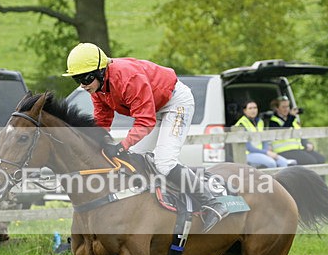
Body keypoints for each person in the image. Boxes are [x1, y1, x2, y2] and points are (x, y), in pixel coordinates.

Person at [63, 42, 229, 232]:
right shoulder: (98, 88)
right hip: (154, 108)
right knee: (132, 157)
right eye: (77, 80)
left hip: (176, 103)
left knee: (164, 162)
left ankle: (214, 202)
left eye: (86, 78)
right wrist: (95, 142)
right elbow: (102, 118)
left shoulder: (128, 78)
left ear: (101, 72)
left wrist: (121, 145)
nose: (83, 85)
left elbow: (145, 120)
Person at [234, 100, 293, 169]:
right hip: (247, 154)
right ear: (245, 111)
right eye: (250, 108)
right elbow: (249, 147)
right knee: (271, 163)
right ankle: (270, 179)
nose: (253, 110)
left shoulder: (260, 122)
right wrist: (266, 152)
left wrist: (266, 152)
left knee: (283, 162)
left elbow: (264, 140)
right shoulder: (241, 124)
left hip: (261, 152)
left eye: (255, 108)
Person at [268, 96, 326, 165]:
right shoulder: (273, 121)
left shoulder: (293, 120)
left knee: (321, 159)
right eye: (283, 107)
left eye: (288, 106)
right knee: (311, 161)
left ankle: (318, 176)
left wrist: (307, 144)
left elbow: (300, 134)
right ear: (277, 108)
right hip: (284, 151)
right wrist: (291, 116)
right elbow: (284, 131)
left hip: (297, 149)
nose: (286, 109)